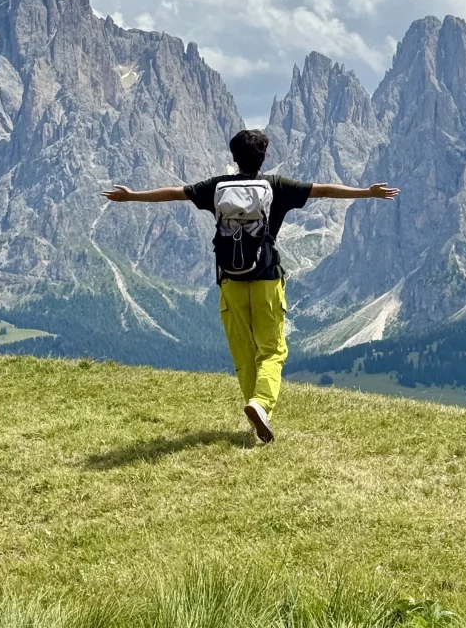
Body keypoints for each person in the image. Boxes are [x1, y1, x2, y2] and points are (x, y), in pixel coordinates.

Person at [103, 128, 399, 444]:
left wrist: (131, 195)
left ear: (234, 157)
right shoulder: (276, 186)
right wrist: (367, 192)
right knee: (272, 351)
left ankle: (254, 410)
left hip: (231, 281)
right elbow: (323, 190)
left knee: (244, 354)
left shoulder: (216, 187)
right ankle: (260, 404)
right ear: (263, 157)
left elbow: (174, 192)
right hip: (266, 281)